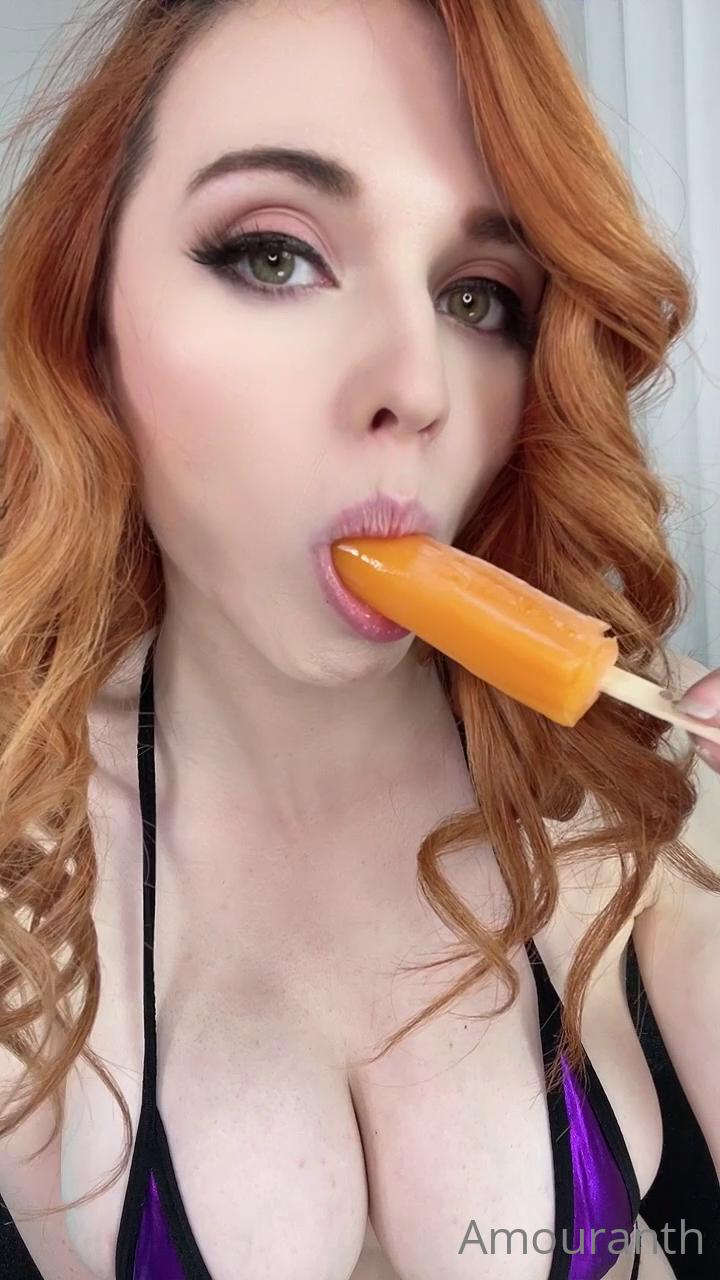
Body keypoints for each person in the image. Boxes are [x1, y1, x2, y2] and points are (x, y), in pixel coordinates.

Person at [0, 1, 718, 1278]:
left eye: (478, 295)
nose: (418, 383)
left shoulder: (639, 765)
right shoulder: (25, 829)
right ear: (90, 316)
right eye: (274, 255)